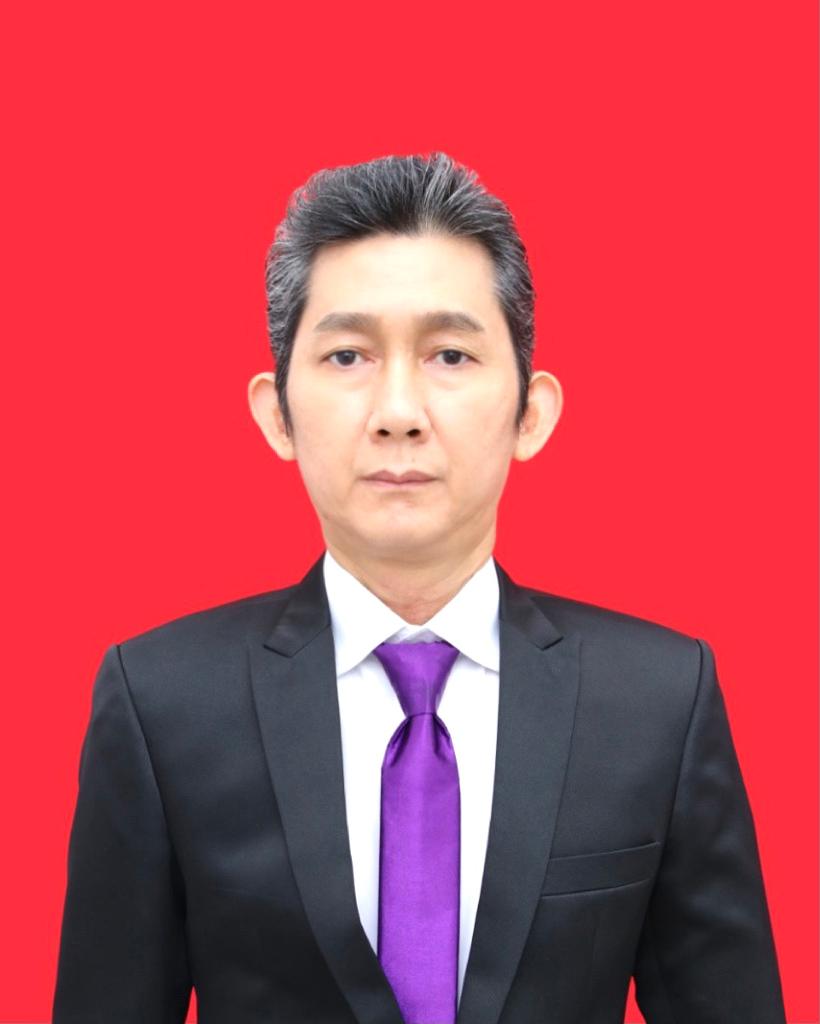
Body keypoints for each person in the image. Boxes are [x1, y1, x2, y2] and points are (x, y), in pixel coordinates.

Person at [52, 152, 787, 1024]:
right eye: (348, 354)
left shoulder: (657, 698)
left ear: (531, 412)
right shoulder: (162, 700)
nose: (398, 411)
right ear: (276, 413)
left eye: (449, 354)